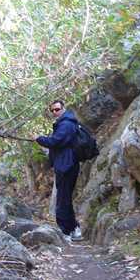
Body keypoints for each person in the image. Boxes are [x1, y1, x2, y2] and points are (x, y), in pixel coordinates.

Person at [35, 100, 83, 241]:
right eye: (53, 110)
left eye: (57, 109)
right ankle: (74, 229)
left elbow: (55, 141)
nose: (55, 112)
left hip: (66, 165)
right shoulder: (68, 122)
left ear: (63, 108)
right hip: (68, 164)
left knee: (62, 200)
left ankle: (66, 232)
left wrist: (39, 139)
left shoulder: (66, 124)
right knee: (66, 198)